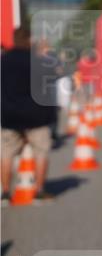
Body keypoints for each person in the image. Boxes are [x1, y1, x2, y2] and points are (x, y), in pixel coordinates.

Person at [1, 26, 59, 203]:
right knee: (40, 153)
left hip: (9, 116)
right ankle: (39, 191)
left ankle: (4, 193)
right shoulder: (38, 61)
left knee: (6, 154)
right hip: (36, 116)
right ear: (29, 41)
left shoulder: (3, 61)